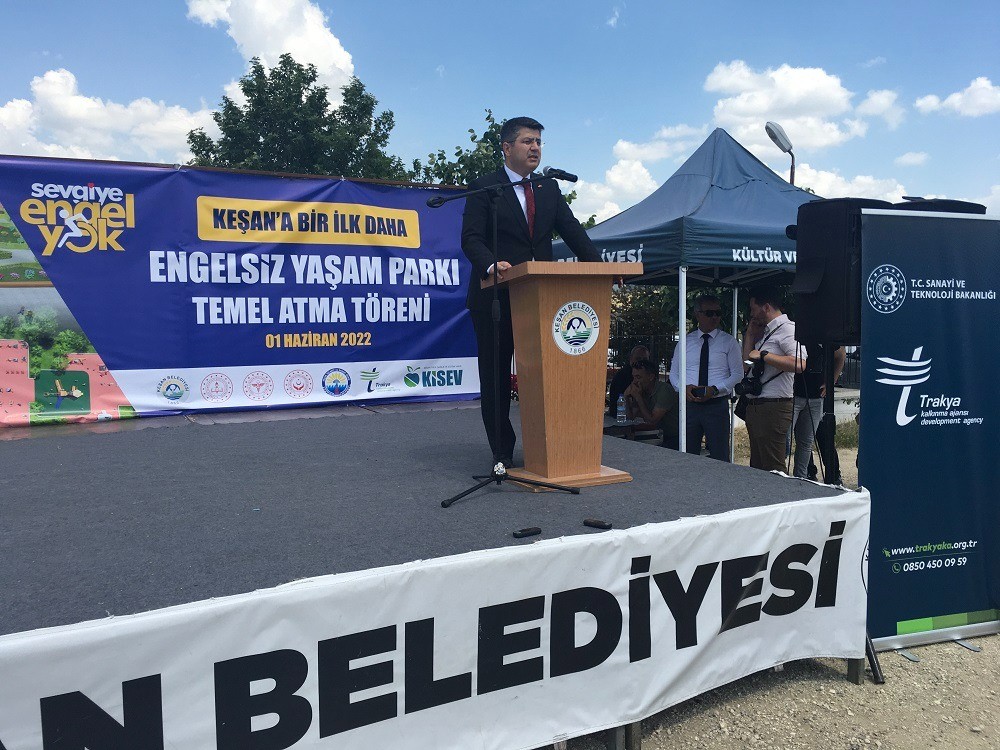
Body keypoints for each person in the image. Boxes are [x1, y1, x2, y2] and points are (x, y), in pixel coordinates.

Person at [461, 116, 601, 466]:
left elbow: (573, 232)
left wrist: (600, 268)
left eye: (538, 141)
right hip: (495, 297)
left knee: (545, 376)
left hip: (540, 300)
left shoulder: (547, 188)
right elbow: (471, 238)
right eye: (527, 141)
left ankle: (550, 449)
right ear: (507, 148)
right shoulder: (485, 188)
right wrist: (491, 265)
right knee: (496, 379)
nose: (535, 147)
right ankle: (502, 454)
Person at [669, 295, 743, 460]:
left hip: (716, 405)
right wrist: (683, 388)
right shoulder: (685, 342)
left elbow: (738, 374)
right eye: (709, 313)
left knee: (720, 455)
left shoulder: (729, 342)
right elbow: (674, 374)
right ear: (698, 314)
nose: (714, 317)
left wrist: (715, 390)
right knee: (687, 455)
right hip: (690, 405)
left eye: (718, 313)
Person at [741, 287, 806, 472]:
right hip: (757, 405)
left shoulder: (788, 329)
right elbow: (747, 366)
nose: (752, 314)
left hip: (774, 406)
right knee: (757, 466)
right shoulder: (766, 331)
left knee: (774, 467)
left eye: (753, 309)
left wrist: (765, 355)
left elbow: (800, 363)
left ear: (766, 307)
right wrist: (750, 335)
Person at [798, 344, 847, 483]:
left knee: (824, 435)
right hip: (797, 393)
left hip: (818, 394)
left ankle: (834, 475)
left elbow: (841, 354)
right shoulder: (794, 335)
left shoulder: (822, 335)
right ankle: (809, 472)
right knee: (802, 437)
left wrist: (832, 380)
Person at [624, 358, 679, 449]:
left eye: (638, 377)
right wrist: (626, 398)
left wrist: (638, 397)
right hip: (659, 435)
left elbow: (652, 420)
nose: (634, 381)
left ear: (651, 377)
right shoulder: (642, 390)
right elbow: (631, 417)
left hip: (675, 436)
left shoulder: (664, 390)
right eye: (633, 377)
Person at [608, 345, 650, 416]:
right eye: (638, 358)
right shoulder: (622, 377)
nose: (641, 362)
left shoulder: (648, 374)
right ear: (631, 358)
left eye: (645, 359)